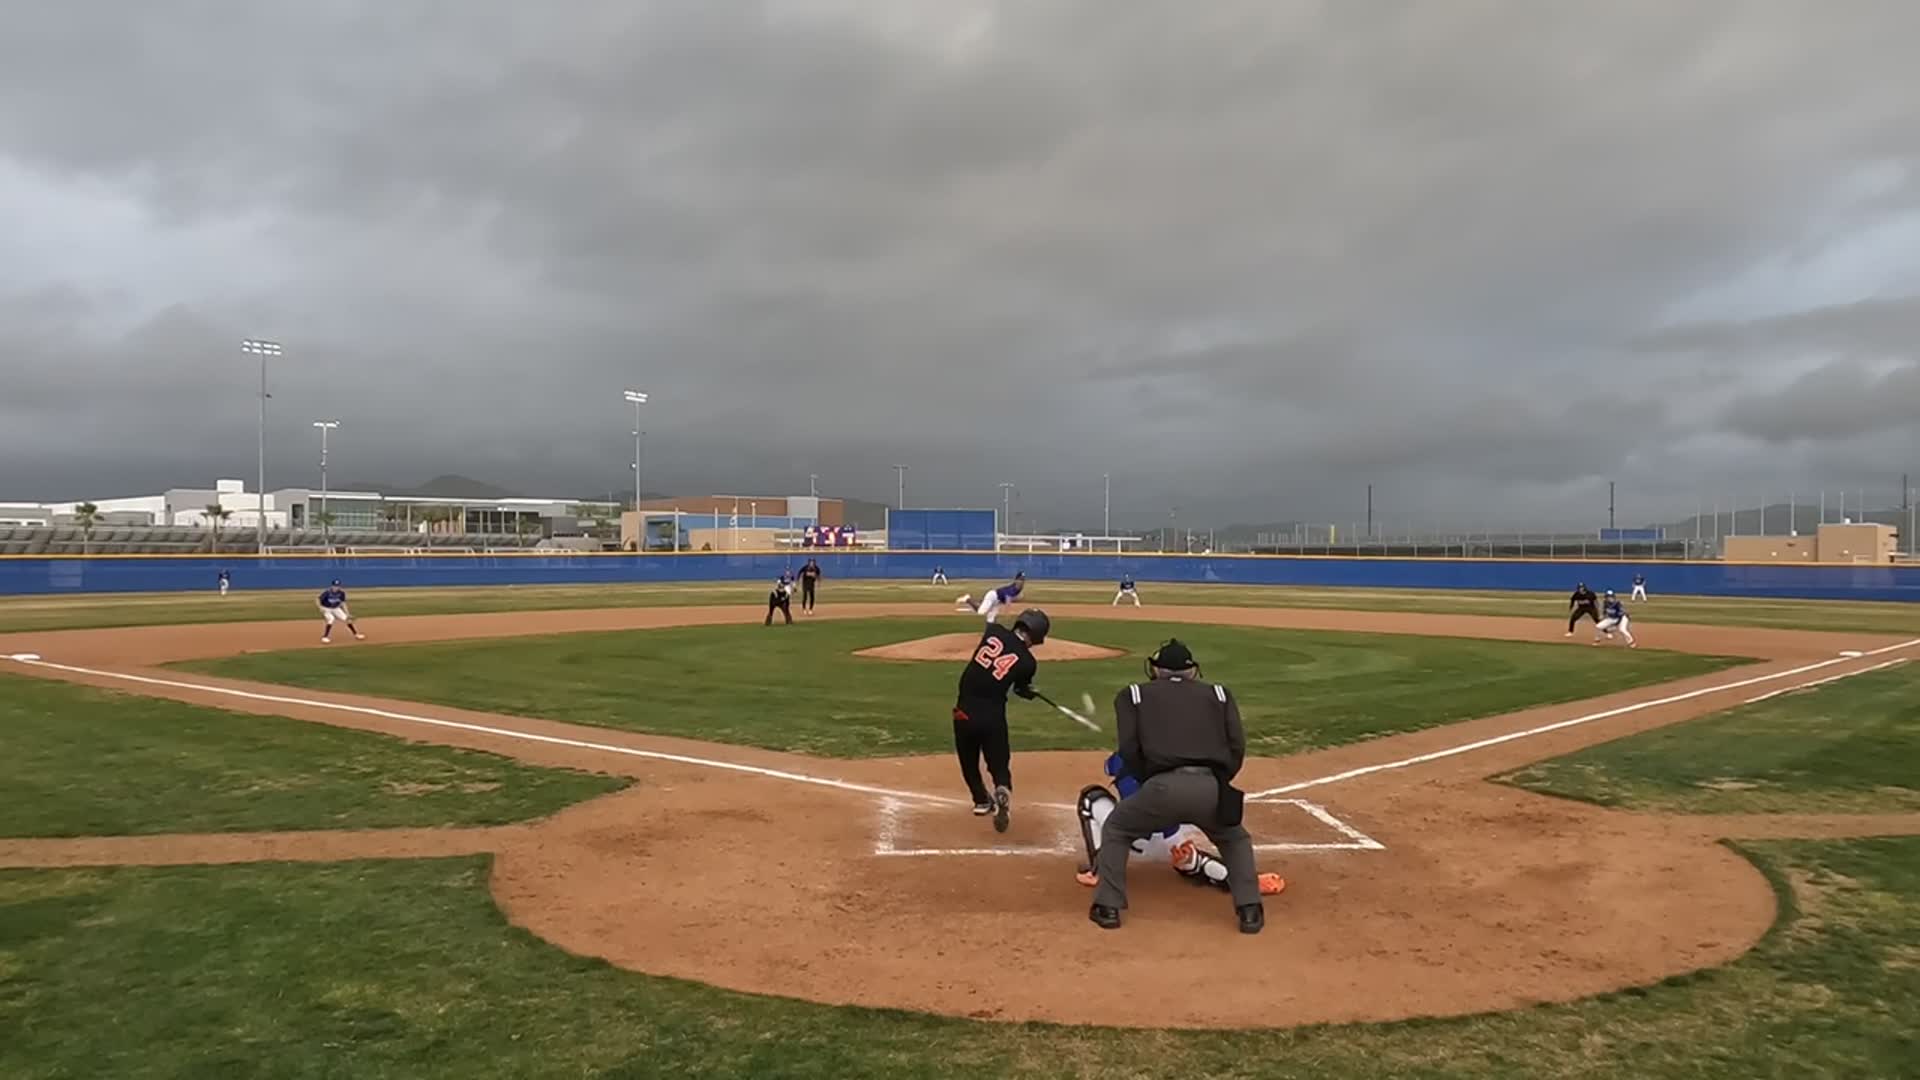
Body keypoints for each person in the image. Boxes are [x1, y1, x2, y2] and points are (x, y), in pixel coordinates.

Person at [1089, 639, 1264, 934]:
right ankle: (1250, 910)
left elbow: (1129, 750)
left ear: (1156, 670)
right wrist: (1219, 781)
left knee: (1118, 829)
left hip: (1161, 789)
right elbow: (1237, 747)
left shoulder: (1133, 695)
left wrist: (1151, 782)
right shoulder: (1220, 694)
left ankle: (1108, 907)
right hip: (1212, 788)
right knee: (1234, 839)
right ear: (1192, 671)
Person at [1075, 753, 1284, 897]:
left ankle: (1098, 871)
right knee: (1188, 805)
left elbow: (1109, 765)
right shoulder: (1180, 756)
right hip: (1171, 839)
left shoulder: (1124, 757)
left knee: (1090, 797)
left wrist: (1124, 752)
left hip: (1128, 839)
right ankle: (1197, 863)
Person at [952, 608, 1049, 832]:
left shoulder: (993, 632)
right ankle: (1002, 788)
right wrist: (1030, 691)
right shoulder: (1028, 662)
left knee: (968, 760)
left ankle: (980, 801)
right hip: (992, 716)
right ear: (1035, 635)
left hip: (963, 711)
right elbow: (1020, 690)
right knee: (998, 761)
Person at [956, 570, 1026, 622]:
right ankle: (967, 599)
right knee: (981, 612)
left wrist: (1016, 598)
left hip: (997, 601)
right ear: (1016, 580)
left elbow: (1010, 598)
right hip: (992, 596)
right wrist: (1007, 614)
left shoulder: (1019, 588)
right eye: (1020, 579)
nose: (1021, 581)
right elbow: (1008, 600)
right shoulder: (1013, 589)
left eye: (1023, 580)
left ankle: (990, 632)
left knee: (991, 618)